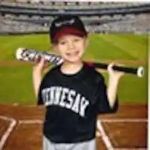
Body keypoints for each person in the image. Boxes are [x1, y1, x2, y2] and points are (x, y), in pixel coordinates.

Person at [32, 15, 124, 150]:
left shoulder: (94, 78)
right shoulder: (50, 76)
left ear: (86, 41)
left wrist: (114, 80)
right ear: (55, 48)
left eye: (76, 40)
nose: (71, 47)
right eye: (63, 42)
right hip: (50, 140)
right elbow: (43, 98)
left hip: (82, 143)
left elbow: (107, 106)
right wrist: (36, 72)